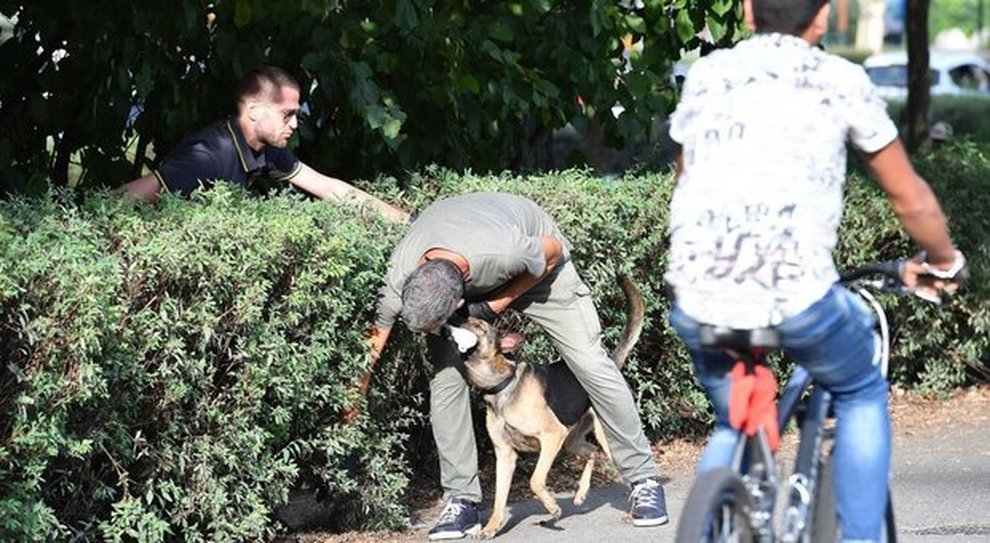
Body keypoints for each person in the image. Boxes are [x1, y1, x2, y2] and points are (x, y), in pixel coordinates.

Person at [665, 1, 966, 541]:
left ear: (749, 12)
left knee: (731, 417)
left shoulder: (708, 74)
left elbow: (685, 175)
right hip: (797, 294)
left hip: (696, 290)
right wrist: (945, 260)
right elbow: (908, 196)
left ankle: (721, 513)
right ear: (823, 18)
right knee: (859, 389)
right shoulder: (840, 79)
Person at [351, 192, 669, 540]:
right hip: (454, 277)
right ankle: (462, 501)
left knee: (590, 363)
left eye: (437, 324)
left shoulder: (505, 250)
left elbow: (552, 253)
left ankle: (643, 479)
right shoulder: (404, 275)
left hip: (540, 268)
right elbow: (378, 334)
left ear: (458, 302)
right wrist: (357, 391)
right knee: (445, 383)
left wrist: (492, 307)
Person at [120, 65, 409, 223]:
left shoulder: (266, 150)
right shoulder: (209, 153)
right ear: (254, 110)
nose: (295, 124)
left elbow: (328, 187)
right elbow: (129, 197)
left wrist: (406, 221)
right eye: (288, 114)